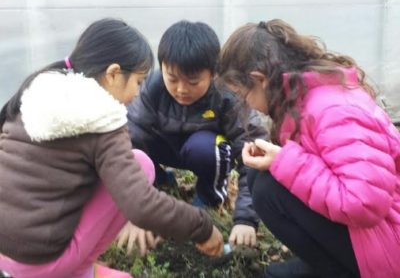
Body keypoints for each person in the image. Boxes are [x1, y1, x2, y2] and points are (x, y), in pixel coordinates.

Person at [0, 18, 224, 278]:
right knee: (140, 164)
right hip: (39, 261)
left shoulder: (36, 89)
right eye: (138, 82)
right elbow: (141, 205)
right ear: (114, 74)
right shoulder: (102, 118)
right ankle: (79, 271)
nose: (139, 93)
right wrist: (202, 226)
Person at [217, 19, 400, 278]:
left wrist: (286, 161)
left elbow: (363, 203)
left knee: (270, 190)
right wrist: (280, 160)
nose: (248, 105)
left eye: (244, 96)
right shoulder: (308, 96)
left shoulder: (333, 110)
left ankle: (341, 270)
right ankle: (328, 263)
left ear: (260, 80)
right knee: (262, 177)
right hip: (382, 234)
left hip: (391, 247)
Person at [124, 20, 268, 253]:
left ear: (213, 73)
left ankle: (209, 195)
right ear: (162, 67)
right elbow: (127, 142)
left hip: (204, 152)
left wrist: (245, 219)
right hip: (166, 147)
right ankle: (158, 181)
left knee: (205, 147)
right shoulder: (152, 87)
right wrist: (136, 210)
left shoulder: (227, 95)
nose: (181, 89)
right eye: (172, 79)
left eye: (193, 82)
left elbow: (254, 151)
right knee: (133, 139)